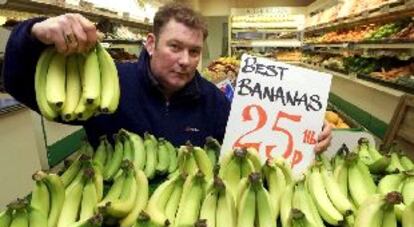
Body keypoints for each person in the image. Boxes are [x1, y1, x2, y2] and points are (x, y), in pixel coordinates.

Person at [3, 3, 331, 153]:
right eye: (174, 47)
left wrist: (304, 131)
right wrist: (31, 35)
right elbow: (23, 88)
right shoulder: (108, 86)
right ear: (151, 43)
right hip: (111, 205)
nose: (185, 61)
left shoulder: (214, 101)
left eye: (194, 51)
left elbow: (256, 142)